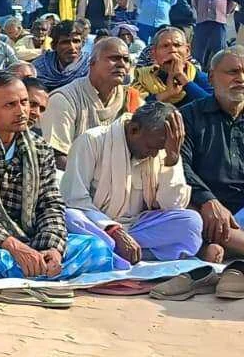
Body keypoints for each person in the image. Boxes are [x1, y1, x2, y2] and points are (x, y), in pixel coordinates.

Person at [0, 73, 113, 289]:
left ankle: (17, 270)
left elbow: (50, 203)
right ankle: (34, 272)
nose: (22, 111)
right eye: (10, 105)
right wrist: (13, 246)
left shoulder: (39, 148)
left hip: (32, 241)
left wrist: (53, 249)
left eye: (24, 103)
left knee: (98, 248)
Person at [61, 102, 202, 269]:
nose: (155, 154)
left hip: (138, 228)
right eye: (151, 147)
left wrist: (172, 159)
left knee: (191, 221)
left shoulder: (162, 149)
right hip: (98, 228)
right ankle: (118, 252)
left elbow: (171, 206)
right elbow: (73, 198)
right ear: (134, 129)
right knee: (70, 216)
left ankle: (113, 255)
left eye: (160, 149)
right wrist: (113, 230)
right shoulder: (91, 141)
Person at [180, 46, 244, 261]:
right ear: (212, 77)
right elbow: (179, 165)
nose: (241, 78)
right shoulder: (190, 116)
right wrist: (208, 199)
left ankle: (217, 244)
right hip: (204, 207)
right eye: (233, 72)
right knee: (187, 219)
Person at [39, 37, 135, 168]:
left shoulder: (131, 98)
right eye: (114, 58)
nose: (121, 64)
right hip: (75, 180)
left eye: (126, 60)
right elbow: (56, 158)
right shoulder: (63, 99)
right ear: (92, 62)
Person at [134, 27, 211, 106]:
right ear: (154, 54)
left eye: (177, 45)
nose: (172, 50)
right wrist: (167, 93)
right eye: (165, 46)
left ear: (187, 51)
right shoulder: (143, 79)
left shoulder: (201, 78)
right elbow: (135, 108)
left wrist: (182, 78)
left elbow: (213, 106)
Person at [33, 20, 90, 91]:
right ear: (54, 46)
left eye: (76, 41)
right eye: (65, 42)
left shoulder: (90, 67)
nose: (72, 47)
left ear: (83, 44)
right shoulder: (40, 67)